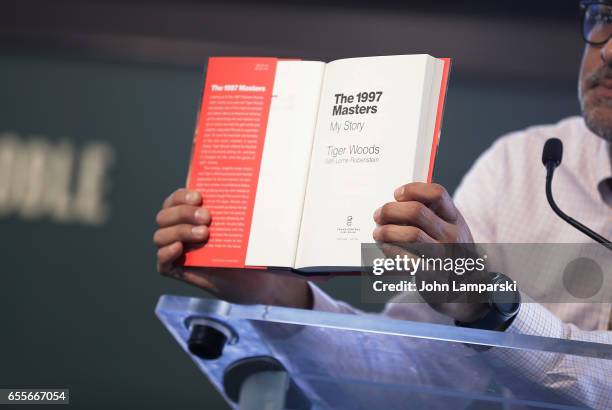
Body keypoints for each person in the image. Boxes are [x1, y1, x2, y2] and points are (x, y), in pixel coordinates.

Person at [154, 1, 612, 407]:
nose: (607, 51)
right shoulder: (522, 164)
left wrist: (485, 306)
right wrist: (274, 297)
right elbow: (414, 381)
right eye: (604, 16)